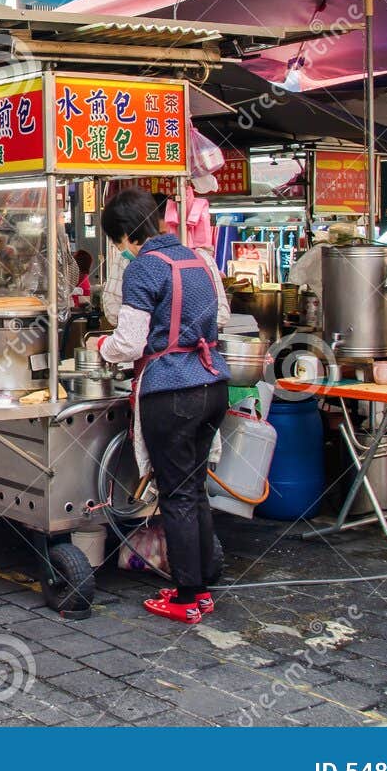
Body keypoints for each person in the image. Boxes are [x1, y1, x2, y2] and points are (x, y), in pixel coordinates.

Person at [91, 188, 229, 625]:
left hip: (172, 392)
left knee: (176, 494)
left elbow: (129, 343)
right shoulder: (199, 260)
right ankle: (201, 586)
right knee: (194, 489)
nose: (121, 251)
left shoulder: (145, 268)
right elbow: (218, 318)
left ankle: (187, 597)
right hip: (212, 384)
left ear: (127, 235)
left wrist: (101, 347)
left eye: (117, 242)